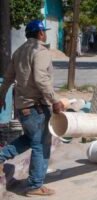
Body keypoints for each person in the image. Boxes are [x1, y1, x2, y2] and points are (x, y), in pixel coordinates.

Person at [0, 20, 64, 196]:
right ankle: (35, 186)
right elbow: (40, 78)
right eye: (44, 32)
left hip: (22, 108)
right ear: (40, 33)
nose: (45, 35)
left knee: (29, 139)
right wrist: (55, 100)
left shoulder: (19, 52)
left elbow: (7, 78)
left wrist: (1, 96)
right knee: (41, 145)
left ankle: (1, 157)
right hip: (37, 108)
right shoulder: (40, 51)